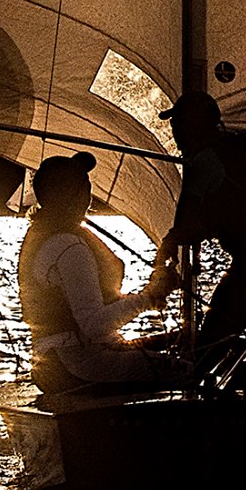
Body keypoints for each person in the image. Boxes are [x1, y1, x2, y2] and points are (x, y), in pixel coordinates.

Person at [158, 91, 246, 375]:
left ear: (192, 127)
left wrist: (167, 245)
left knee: (209, 347)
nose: (175, 133)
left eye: (177, 125)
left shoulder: (204, 161)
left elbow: (187, 223)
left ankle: (193, 394)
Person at [17, 151, 177, 395]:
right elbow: (93, 325)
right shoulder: (69, 247)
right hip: (77, 364)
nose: (89, 194)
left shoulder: (43, 236)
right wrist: (150, 297)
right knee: (188, 370)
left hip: (53, 362)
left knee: (177, 344)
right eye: (85, 185)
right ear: (78, 195)